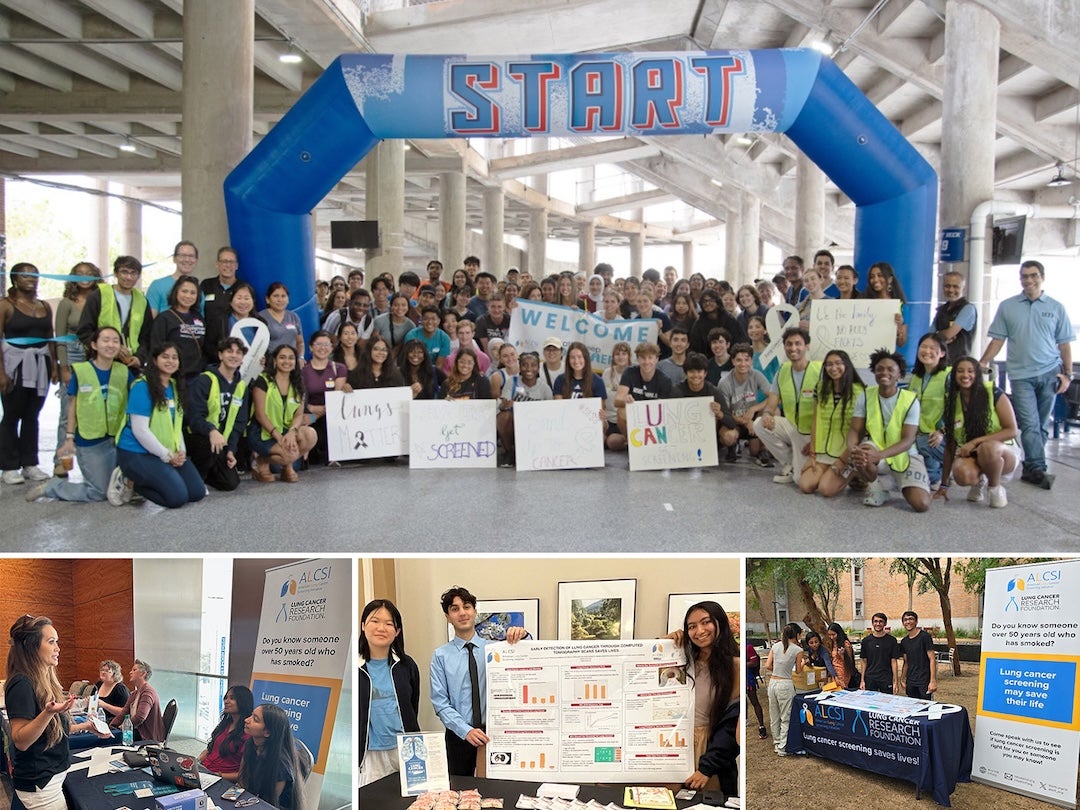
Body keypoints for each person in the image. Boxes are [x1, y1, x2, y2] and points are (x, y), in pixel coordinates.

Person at [978, 259, 1074, 490]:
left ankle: (1030, 469)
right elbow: (998, 339)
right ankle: (1038, 467)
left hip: (1050, 373)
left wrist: (1067, 374)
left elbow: (1064, 344)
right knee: (1029, 423)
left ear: (1042, 277)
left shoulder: (1056, 307)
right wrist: (983, 361)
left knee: (1041, 425)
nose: (1029, 280)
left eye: (1033, 275)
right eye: (1024, 276)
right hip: (1021, 376)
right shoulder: (1008, 307)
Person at [5, 615, 111, 810]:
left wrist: (86, 726)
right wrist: (47, 713)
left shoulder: (44, 682)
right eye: (51, 642)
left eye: (57, 642)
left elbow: (53, 731)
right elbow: (21, 740)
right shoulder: (22, 683)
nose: (58, 648)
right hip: (41, 785)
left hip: (52, 779)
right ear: (32, 646)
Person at [25, 327, 130, 504]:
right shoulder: (81, 371)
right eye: (105, 340)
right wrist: (69, 438)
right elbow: (72, 407)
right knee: (98, 493)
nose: (111, 344)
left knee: (114, 488)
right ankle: (52, 487)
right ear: (94, 345)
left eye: (115, 341)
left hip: (116, 440)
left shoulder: (124, 371)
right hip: (90, 440)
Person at [430, 586, 527, 776]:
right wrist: (465, 730)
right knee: (459, 792)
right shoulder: (440, 655)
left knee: (496, 791)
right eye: (454, 608)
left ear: (475, 611)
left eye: (466, 606)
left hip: (495, 733)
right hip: (459, 735)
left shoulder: (496, 649)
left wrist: (523, 636)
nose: (462, 613)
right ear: (447, 616)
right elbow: (440, 703)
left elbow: (526, 661)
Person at [111, 342, 205, 509]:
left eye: (174, 358)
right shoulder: (142, 386)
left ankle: (159, 477)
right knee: (177, 498)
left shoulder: (176, 387)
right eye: (165, 357)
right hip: (137, 452)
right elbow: (140, 431)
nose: (170, 361)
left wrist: (181, 451)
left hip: (166, 450)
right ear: (154, 360)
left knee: (196, 492)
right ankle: (129, 480)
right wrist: (167, 456)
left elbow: (176, 425)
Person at [847, 348, 932, 512]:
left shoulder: (910, 400)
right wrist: (853, 449)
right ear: (874, 372)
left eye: (890, 369)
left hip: (905, 454)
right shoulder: (865, 396)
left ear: (899, 375)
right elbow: (854, 430)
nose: (884, 372)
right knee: (862, 453)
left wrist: (880, 455)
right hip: (875, 448)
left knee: (921, 505)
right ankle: (876, 488)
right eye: (879, 369)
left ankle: (904, 481)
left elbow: (908, 441)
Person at [935, 356, 1020, 508]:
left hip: (1002, 452)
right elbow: (950, 445)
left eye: (970, 371)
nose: (965, 375)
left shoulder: (993, 393)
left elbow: (1012, 430)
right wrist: (944, 484)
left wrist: (975, 442)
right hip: (975, 455)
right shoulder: (952, 400)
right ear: (954, 375)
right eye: (960, 371)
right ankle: (979, 481)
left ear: (977, 374)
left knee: (987, 447)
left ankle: (995, 488)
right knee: (962, 473)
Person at [1, 263, 58, 485]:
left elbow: (50, 336)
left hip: (40, 363)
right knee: (12, 414)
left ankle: (30, 464)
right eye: (25, 275)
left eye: (34, 274)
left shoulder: (44, 306)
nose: (30, 278)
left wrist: (53, 364)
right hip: (14, 365)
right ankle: (8, 465)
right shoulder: (5, 306)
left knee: (32, 414)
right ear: (15, 280)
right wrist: (2, 373)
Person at [675, 601, 739, 796]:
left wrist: (707, 767)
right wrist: (665, 645)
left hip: (709, 749)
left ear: (719, 623)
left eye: (706, 622)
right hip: (675, 746)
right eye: (691, 626)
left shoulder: (734, 666)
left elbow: (731, 725)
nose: (699, 631)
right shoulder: (683, 662)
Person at [359, 599, 421, 787]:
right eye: (375, 621)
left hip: (404, 750)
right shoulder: (356, 668)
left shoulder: (407, 666)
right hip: (369, 753)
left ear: (397, 631)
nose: (381, 628)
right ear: (363, 625)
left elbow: (412, 706)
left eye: (389, 624)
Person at [753, 327, 823, 485]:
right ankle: (792, 462)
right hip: (792, 427)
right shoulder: (783, 370)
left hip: (813, 431)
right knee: (759, 424)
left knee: (800, 481)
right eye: (789, 344)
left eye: (798, 343)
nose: (793, 348)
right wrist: (767, 414)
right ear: (784, 347)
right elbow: (772, 401)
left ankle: (798, 466)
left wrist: (815, 440)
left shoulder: (820, 370)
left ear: (807, 346)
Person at [52, 261, 102, 477]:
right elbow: (60, 338)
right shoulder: (66, 303)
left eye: (89, 273)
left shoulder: (101, 299)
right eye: (80, 273)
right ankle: (60, 460)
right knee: (67, 412)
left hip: (94, 356)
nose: (84, 277)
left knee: (91, 410)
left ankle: (91, 462)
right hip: (72, 356)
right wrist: (64, 367)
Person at [185, 337, 250, 491]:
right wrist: (211, 431)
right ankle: (196, 478)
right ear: (220, 355)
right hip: (198, 436)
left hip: (221, 441)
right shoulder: (204, 380)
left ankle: (205, 473)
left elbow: (239, 423)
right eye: (229, 351)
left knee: (230, 483)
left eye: (238, 352)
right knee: (208, 444)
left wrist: (231, 450)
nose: (234, 355)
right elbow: (193, 417)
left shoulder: (241, 387)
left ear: (242, 359)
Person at [249, 344, 318, 483]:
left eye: (291, 358)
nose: (287, 361)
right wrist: (279, 438)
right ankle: (261, 461)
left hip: (286, 430)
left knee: (310, 435)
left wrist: (292, 432)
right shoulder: (263, 381)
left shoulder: (299, 383)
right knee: (288, 455)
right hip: (262, 432)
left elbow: (299, 415)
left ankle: (286, 467)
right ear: (274, 360)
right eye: (282, 357)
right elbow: (260, 415)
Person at [799, 349, 863, 497]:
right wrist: (812, 455)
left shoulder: (860, 392)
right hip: (824, 450)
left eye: (838, 363)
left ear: (847, 365)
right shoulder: (821, 388)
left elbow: (859, 432)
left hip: (846, 452)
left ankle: (854, 472)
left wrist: (842, 460)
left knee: (825, 490)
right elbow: (816, 421)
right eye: (828, 365)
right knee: (805, 485)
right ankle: (827, 469)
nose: (833, 368)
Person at [78, 255, 153, 371]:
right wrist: (112, 348)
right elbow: (84, 331)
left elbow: (146, 337)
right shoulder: (99, 296)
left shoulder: (142, 301)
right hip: (100, 362)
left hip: (130, 364)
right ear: (116, 273)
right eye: (124, 272)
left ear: (138, 276)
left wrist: (140, 358)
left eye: (133, 273)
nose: (128, 277)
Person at [240, 703, 310, 810]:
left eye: (255, 719)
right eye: (251, 715)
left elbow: (269, 803)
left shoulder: (281, 764)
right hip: (252, 802)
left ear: (267, 732)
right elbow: (243, 781)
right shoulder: (250, 744)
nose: (247, 720)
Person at [716, 344, 772, 465]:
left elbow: (773, 397)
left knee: (774, 411)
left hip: (752, 419)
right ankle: (733, 446)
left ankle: (763, 450)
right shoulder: (724, 382)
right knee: (728, 437)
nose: (743, 364)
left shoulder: (757, 375)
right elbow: (725, 413)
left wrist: (753, 409)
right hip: (733, 421)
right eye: (739, 360)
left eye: (746, 360)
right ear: (733, 361)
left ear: (751, 361)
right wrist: (746, 422)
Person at [909, 333, 951, 489]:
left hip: (943, 434)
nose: (927, 351)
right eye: (923, 347)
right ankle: (934, 472)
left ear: (942, 353)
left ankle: (938, 475)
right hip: (920, 432)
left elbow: (958, 410)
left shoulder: (948, 375)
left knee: (923, 443)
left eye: (933, 348)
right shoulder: (916, 377)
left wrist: (942, 431)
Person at [301, 330, 348, 465]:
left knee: (330, 421)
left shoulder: (339, 369)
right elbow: (303, 402)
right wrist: (312, 412)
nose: (323, 348)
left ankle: (334, 456)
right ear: (311, 347)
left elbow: (336, 398)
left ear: (332, 348)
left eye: (327, 344)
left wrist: (318, 412)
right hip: (309, 414)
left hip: (328, 415)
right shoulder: (303, 371)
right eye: (319, 344)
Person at [149, 276, 206, 380]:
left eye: (193, 293)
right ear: (176, 292)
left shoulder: (199, 317)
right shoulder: (164, 318)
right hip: (172, 376)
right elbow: (155, 348)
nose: (188, 296)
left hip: (196, 376)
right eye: (184, 291)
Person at [614, 342, 673, 437]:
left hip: (654, 417)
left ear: (657, 359)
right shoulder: (629, 372)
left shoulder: (665, 380)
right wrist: (625, 400)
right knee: (621, 412)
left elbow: (665, 410)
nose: (646, 362)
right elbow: (617, 401)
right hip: (636, 414)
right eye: (643, 358)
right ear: (638, 359)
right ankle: (630, 442)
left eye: (650, 358)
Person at [201, 281, 266, 367]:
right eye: (239, 298)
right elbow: (209, 346)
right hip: (224, 369)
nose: (243, 302)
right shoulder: (219, 320)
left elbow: (265, 348)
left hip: (252, 370)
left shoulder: (260, 323)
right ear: (231, 301)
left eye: (246, 298)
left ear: (253, 301)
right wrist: (226, 358)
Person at [765, 623, 805, 757]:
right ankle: (783, 747)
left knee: (774, 715)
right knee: (786, 717)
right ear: (797, 635)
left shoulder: (775, 646)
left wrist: (779, 669)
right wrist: (803, 663)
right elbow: (798, 671)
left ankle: (777, 743)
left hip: (773, 682)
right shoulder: (798, 650)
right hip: (785, 684)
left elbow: (768, 665)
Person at [101, 659, 166, 741]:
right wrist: (111, 726)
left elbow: (140, 717)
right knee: (105, 736)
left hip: (146, 736)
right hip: (135, 731)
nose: (130, 672)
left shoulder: (148, 692)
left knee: (106, 740)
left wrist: (124, 726)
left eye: (134, 670)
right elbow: (123, 713)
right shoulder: (135, 693)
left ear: (143, 673)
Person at [198, 685, 253, 781]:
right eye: (226, 698)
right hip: (204, 770)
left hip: (220, 778)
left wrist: (215, 775)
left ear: (243, 702)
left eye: (232, 698)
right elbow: (210, 749)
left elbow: (242, 775)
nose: (226, 701)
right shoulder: (225, 724)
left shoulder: (247, 734)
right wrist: (196, 762)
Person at [933, 271, 977, 365]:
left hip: (957, 365)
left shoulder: (968, 309)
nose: (951, 290)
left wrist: (938, 335)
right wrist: (939, 335)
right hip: (938, 362)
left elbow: (949, 334)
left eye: (955, 286)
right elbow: (928, 336)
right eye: (947, 286)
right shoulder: (941, 310)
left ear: (963, 288)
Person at [146, 240, 200, 315]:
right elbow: (151, 318)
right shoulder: (157, 285)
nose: (187, 260)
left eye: (191, 256)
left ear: (196, 260)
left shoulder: (198, 289)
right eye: (182, 255)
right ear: (174, 258)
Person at [864, 261, 909, 347]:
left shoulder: (901, 306)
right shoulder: (864, 302)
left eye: (880, 275)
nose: (875, 279)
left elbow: (901, 343)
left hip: (887, 355)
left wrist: (899, 326)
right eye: (872, 277)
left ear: (890, 279)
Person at [259, 282, 305, 360]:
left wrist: (300, 357)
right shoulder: (261, 317)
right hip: (270, 364)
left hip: (291, 363)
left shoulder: (294, 317)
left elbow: (300, 342)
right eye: (276, 296)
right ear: (267, 299)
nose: (280, 300)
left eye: (283, 296)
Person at [898, 612, 937, 700]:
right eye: (905, 620)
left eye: (911, 619)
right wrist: (902, 679)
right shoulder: (904, 641)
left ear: (916, 621)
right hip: (911, 681)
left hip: (924, 680)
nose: (908, 622)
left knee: (926, 708)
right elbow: (906, 662)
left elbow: (932, 659)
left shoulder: (925, 637)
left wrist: (933, 680)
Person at [200, 246, 242, 327]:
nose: (228, 265)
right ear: (217, 264)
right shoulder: (206, 285)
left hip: (235, 337)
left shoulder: (243, 287)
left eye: (231, 262)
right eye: (224, 261)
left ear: (236, 266)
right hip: (209, 337)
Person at [860, 613, 900, 693]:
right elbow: (864, 661)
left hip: (886, 678)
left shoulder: (892, 641)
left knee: (886, 703)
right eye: (875, 621)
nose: (878, 624)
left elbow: (894, 661)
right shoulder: (866, 641)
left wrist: (895, 682)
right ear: (872, 623)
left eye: (881, 621)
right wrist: (862, 680)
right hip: (870, 677)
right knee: (869, 703)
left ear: (885, 623)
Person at [602, 342, 632, 450]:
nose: (620, 357)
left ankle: (628, 440)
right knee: (600, 441)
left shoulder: (633, 373)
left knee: (612, 442)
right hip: (609, 419)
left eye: (624, 354)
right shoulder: (607, 373)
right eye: (617, 354)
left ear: (629, 356)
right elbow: (603, 398)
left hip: (625, 420)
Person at [373, 293, 415, 359]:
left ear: (408, 307)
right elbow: (373, 342)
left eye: (403, 305)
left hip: (400, 359)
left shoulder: (411, 326)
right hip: (380, 356)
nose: (400, 308)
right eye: (396, 305)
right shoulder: (379, 320)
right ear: (391, 306)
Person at [746, 315, 779, 383]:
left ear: (765, 330)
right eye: (750, 327)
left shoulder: (772, 351)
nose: (753, 330)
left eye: (757, 327)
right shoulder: (745, 353)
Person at [745, 642, 767, 741]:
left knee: (754, 702)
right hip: (738, 677)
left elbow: (754, 662)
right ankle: (745, 719)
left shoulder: (748, 647)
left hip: (748, 679)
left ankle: (762, 726)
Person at [827, 622, 858, 690]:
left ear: (838, 633)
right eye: (829, 635)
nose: (831, 637)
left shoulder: (845, 644)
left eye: (833, 635)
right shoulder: (833, 643)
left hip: (843, 672)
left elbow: (850, 662)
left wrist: (842, 655)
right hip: (835, 672)